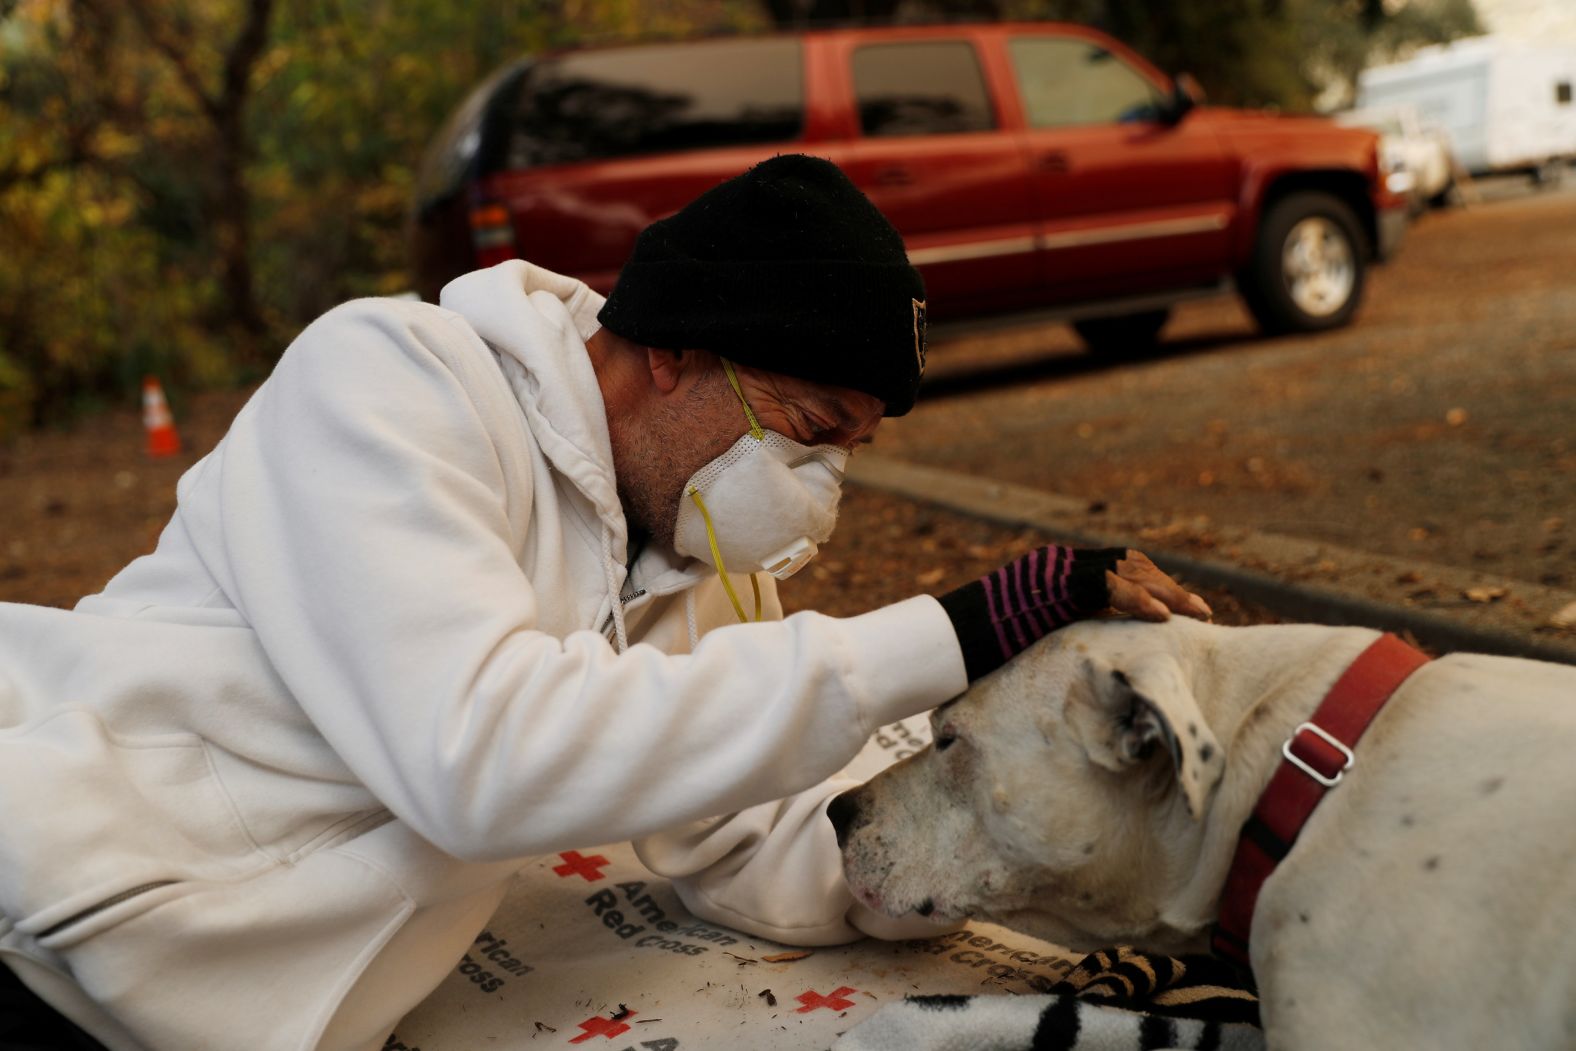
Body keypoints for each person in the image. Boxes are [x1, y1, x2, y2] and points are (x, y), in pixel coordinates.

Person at [0, 154, 1209, 1051]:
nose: (821, 490)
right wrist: (949, 632)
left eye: (850, 451)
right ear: (674, 352)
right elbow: (480, 760)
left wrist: (998, 835)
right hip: (50, 931)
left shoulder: (686, 552)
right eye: (807, 432)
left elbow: (751, 836)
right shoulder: (387, 385)